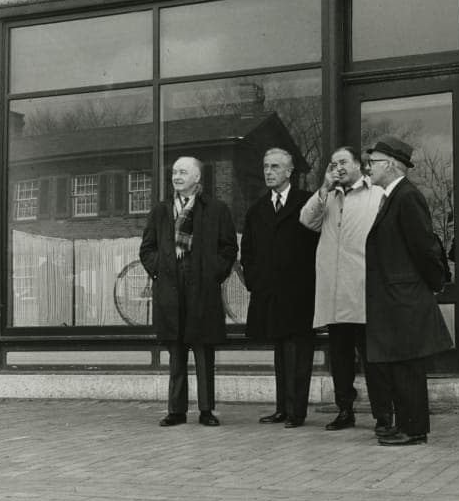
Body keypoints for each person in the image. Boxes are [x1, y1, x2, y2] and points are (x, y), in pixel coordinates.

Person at [364, 136, 454, 446]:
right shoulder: (394, 196)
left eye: (373, 162)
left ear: (390, 165)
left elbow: (425, 247)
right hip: (396, 298)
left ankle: (413, 428)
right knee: (399, 363)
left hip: (405, 298)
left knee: (408, 365)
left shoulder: (406, 196)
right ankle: (405, 423)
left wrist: (432, 283)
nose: (368, 167)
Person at [140, 156, 238, 427]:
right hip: (171, 289)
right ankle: (176, 410)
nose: (177, 176)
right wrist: (159, 269)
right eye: (174, 172)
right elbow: (147, 249)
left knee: (204, 351)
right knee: (176, 352)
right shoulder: (161, 210)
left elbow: (229, 248)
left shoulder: (216, 209)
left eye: (183, 172)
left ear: (197, 177)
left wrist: (213, 273)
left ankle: (206, 410)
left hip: (203, 290)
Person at [299, 146, 391, 433]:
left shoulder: (375, 193)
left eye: (342, 162)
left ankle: (383, 415)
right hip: (335, 292)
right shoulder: (328, 196)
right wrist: (323, 188)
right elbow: (306, 220)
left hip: (363, 290)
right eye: (332, 163)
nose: (337, 168)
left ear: (358, 165)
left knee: (372, 358)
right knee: (340, 360)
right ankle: (344, 410)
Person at [241, 148, 319, 428]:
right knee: (280, 352)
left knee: (299, 353)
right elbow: (247, 251)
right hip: (270, 293)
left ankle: (296, 411)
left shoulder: (307, 202)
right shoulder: (257, 208)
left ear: (289, 172)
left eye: (275, 167)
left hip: (300, 294)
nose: (269, 172)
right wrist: (255, 282)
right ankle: (281, 409)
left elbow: (318, 247)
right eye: (265, 167)